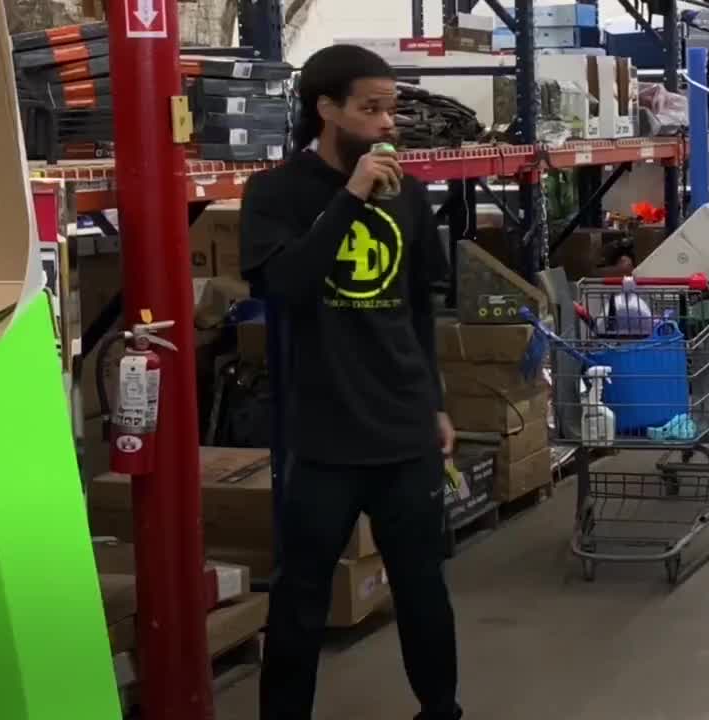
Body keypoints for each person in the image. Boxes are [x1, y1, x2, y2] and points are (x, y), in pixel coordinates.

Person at [238, 45, 462, 720]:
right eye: (371, 109)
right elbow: (285, 286)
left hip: (403, 429)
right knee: (300, 596)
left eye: (391, 108)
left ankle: (441, 710)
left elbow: (417, 307)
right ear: (326, 109)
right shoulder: (274, 195)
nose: (389, 123)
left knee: (424, 589)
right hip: (323, 434)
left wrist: (435, 403)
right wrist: (352, 194)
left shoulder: (412, 195)